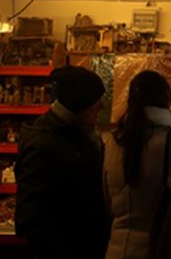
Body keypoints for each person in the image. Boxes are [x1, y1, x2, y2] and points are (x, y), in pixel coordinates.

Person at [103, 70, 171, 259]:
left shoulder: (113, 141)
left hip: (117, 248)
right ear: (166, 98)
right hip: (161, 247)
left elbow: (107, 199)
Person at [15, 66, 110, 259]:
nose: (102, 106)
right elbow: (32, 218)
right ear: (80, 102)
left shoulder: (75, 135)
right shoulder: (44, 144)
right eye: (96, 100)